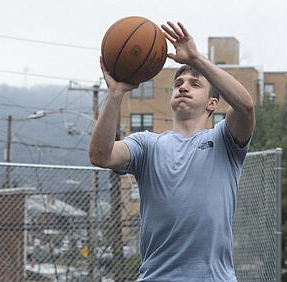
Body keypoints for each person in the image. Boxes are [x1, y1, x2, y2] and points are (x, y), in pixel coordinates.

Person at [89, 21, 255, 281]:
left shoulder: (224, 141)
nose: (183, 86)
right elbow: (101, 156)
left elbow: (245, 106)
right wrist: (115, 93)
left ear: (213, 103)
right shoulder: (147, 145)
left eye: (195, 84)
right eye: (178, 83)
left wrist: (196, 59)